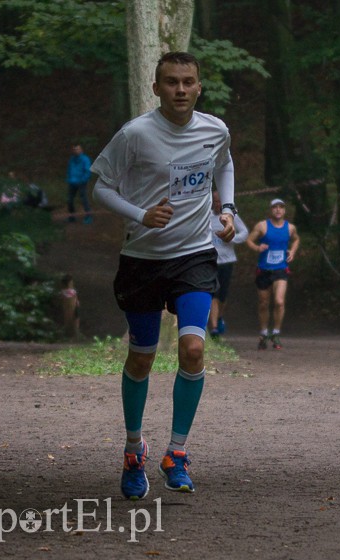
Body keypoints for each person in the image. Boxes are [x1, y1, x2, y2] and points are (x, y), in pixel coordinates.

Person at [91, 51, 237, 500]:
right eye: (170, 82)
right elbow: (99, 185)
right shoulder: (135, 134)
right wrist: (140, 214)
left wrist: (227, 208)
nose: (179, 89)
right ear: (156, 88)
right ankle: (134, 450)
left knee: (193, 350)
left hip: (194, 256)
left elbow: (225, 164)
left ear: (198, 87)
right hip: (142, 262)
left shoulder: (215, 130)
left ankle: (177, 453)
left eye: (187, 81)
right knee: (142, 358)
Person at [246, 198, 300, 350]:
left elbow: (296, 240)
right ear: (270, 210)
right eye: (275, 207)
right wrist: (258, 248)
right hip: (263, 270)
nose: (278, 210)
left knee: (279, 301)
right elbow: (249, 240)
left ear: (284, 210)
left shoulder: (290, 228)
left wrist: (293, 251)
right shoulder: (262, 226)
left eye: (281, 207)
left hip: (281, 269)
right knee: (263, 303)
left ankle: (276, 333)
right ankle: (263, 333)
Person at [208, 188, 248, 337]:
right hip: (211, 260)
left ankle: (218, 318)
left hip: (227, 260)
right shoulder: (207, 216)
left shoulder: (231, 216)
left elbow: (244, 233)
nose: (217, 204)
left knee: (222, 296)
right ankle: (214, 329)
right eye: (215, 201)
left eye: (220, 202)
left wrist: (232, 238)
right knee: (214, 294)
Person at [66, 144, 93, 224]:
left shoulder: (85, 159)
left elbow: (88, 171)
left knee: (84, 199)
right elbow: (69, 169)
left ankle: (88, 216)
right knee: (69, 200)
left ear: (81, 150)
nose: (76, 151)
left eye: (77, 149)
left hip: (81, 182)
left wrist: (84, 180)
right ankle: (72, 216)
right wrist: (69, 178)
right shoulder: (72, 159)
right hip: (72, 182)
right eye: (74, 149)